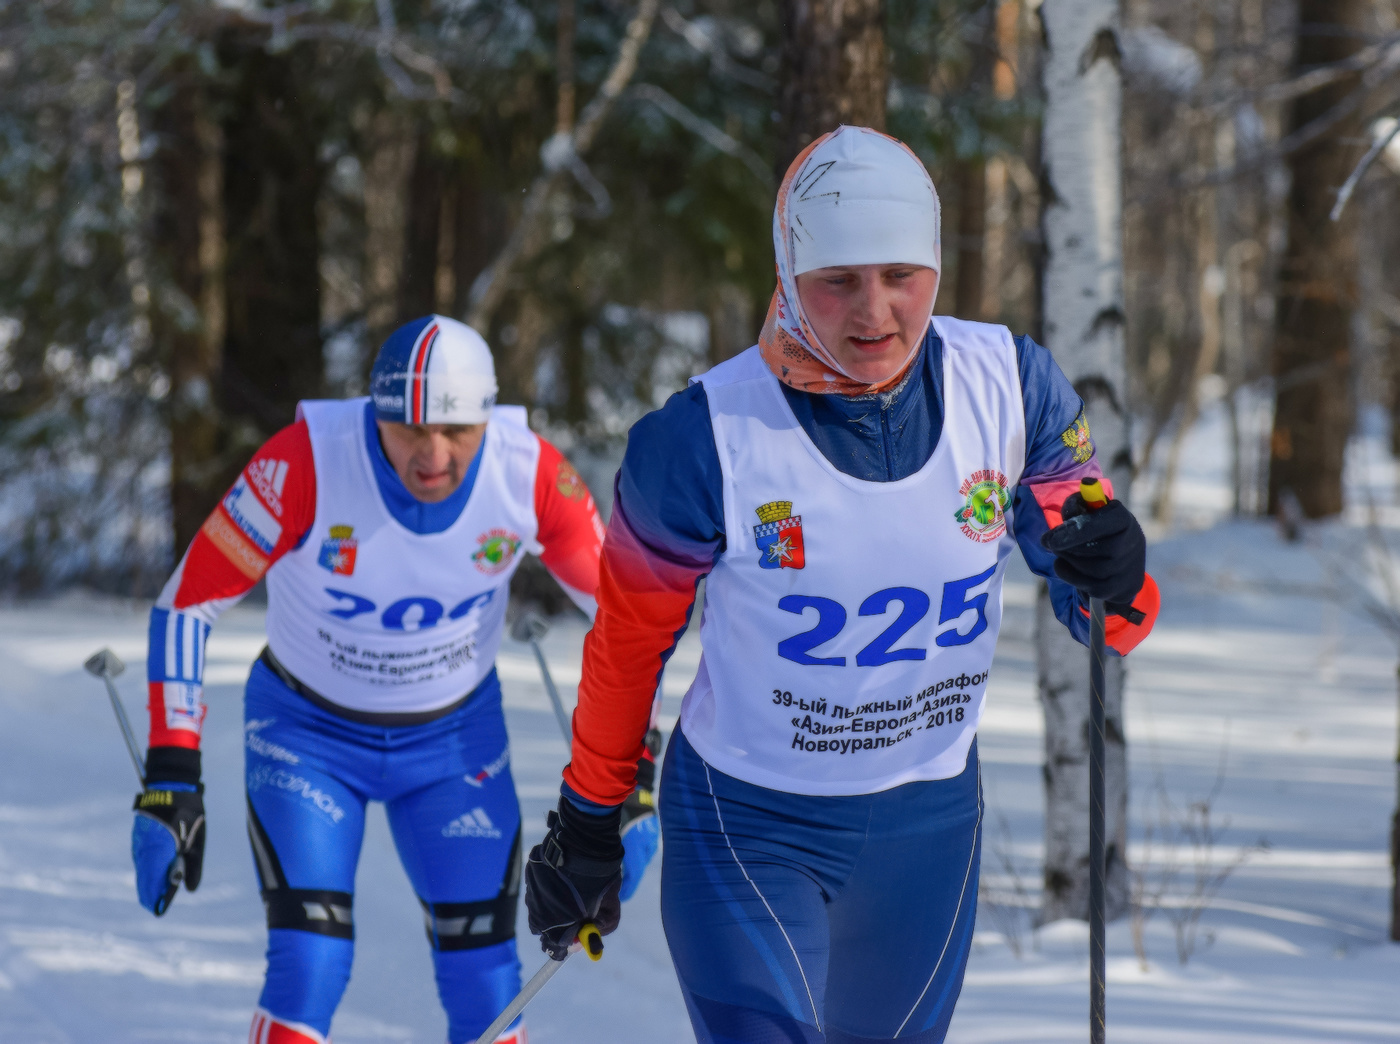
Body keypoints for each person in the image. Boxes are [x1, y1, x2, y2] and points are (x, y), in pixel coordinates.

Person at [523, 126, 1160, 1043]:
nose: (876, 313)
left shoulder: (1012, 387)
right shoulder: (702, 438)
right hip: (749, 822)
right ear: (786, 274)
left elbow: (1106, 611)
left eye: (903, 274)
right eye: (837, 281)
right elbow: (629, 646)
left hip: (927, 832)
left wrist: (1119, 572)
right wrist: (590, 818)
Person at [130, 316, 652, 1044]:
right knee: (309, 964)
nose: (432, 455)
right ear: (376, 415)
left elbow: (629, 621)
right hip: (307, 735)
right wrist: (171, 772)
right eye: (407, 430)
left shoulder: (526, 469)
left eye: (455, 431)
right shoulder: (309, 459)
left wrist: (639, 766)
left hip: (453, 745)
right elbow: (188, 601)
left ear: (486, 419)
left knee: (487, 981)